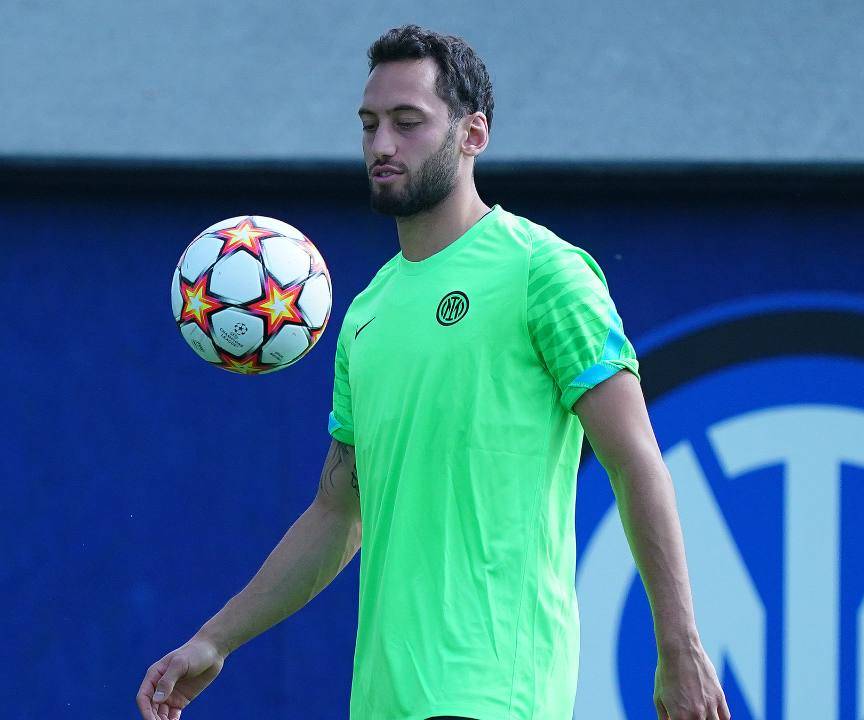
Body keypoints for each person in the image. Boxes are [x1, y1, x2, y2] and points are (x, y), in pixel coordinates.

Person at [136, 24, 730, 720]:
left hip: (493, 688)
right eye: (369, 125)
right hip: (385, 699)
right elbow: (338, 511)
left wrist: (680, 646)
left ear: (473, 133)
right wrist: (215, 640)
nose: (382, 145)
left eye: (407, 122)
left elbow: (635, 462)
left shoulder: (544, 271)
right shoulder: (365, 313)